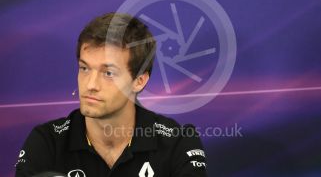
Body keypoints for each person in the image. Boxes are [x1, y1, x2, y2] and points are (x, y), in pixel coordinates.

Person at [15, 13, 207, 177]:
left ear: (139, 81)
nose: (90, 85)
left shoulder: (177, 142)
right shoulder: (47, 142)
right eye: (84, 68)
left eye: (108, 73)